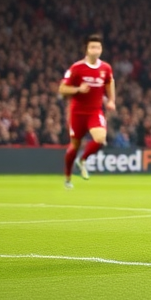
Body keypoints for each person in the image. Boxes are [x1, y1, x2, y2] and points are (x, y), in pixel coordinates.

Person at [58, 34, 116, 189]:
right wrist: (78, 89)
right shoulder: (76, 68)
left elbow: (110, 82)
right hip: (77, 113)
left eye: (98, 47)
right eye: (92, 47)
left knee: (100, 138)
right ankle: (68, 178)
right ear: (86, 49)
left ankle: (82, 160)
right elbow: (62, 89)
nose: (96, 50)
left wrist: (111, 100)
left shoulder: (106, 68)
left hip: (94, 112)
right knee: (74, 146)